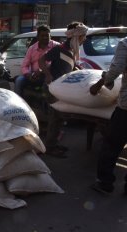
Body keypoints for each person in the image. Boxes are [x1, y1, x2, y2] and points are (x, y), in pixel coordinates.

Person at [38, 21, 88, 158]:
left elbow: (68, 66)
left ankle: (52, 144)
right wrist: (48, 75)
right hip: (52, 88)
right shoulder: (59, 49)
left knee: (59, 118)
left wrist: (79, 70)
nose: (85, 38)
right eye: (83, 36)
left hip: (61, 89)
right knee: (55, 117)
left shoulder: (71, 51)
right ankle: (49, 147)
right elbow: (41, 61)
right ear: (76, 37)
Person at [89, 37, 127, 195]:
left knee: (111, 144)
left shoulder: (125, 43)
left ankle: (105, 183)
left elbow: (117, 68)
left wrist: (101, 82)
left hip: (126, 108)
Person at [14, 25, 59, 96]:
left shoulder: (56, 46)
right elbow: (24, 66)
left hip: (49, 75)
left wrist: (42, 71)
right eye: (42, 36)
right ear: (38, 37)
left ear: (50, 36)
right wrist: (28, 75)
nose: (45, 38)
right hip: (33, 76)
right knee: (19, 80)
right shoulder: (32, 48)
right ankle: (18, 104)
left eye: (47, 35)